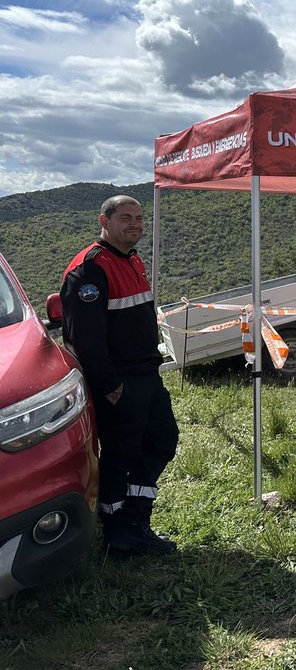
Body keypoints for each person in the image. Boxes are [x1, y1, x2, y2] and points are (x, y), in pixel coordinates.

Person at [61, 195, 179, 557]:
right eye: (126, 218)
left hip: (147, 373)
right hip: (120, 382)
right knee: (121, 455)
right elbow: (86, 339)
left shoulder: (131, 259)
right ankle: (117, 533)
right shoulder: (90, 269)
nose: (135, 224)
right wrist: (110, 387)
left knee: (162, 440)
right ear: (104, 220)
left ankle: (135, 519)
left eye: (140, 218)